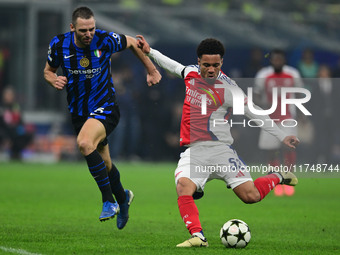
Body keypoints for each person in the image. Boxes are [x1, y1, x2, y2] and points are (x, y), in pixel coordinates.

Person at [137, 36, 299, 247]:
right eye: (206, 65)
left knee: (251, 196)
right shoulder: (191, 73)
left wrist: (281, 135)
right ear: (199, 62)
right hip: (194, 151)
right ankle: (198, 236)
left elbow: (256, 113)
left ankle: (278, 176)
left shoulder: (229, 89)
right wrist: (150, 52)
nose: (211, 69)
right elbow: (172, 65)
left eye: (215, 65)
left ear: (221, 63)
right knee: (183, 186)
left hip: (221, 151)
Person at [43, 7, 161, 229]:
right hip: (80, 113)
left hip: (105, 107)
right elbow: (48, 70)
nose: (89, 34)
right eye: (83, 30)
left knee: (84, 143)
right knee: (105, 163)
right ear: (72, 28)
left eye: (92, 29)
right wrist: (52, 79)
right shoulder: (59, 44)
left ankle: (109, 200)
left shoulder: (105, 39)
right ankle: (123, 198)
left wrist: (151, 70)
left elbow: (133, 42)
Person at [254, 49, 303, 197]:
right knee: (270, 151)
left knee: (289, 149)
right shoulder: (263, 75)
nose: (277, 62)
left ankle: (288, 181)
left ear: (284, 60)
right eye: (274, 59)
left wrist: (302, 114)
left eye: (279, 59)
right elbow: (256, 94)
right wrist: (261, 104)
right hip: (269, 119)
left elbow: (300, 93)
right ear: (271, 60)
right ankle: (275, 181)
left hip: (288, 117)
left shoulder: (293, 74)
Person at [0, 86, 33, 160]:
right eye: (7, 94)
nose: (9, 97)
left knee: (26, 134)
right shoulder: (1, 107)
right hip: (3, 130)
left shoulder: (16, 107)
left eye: (10, 95)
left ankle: (16, 153)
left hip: (14, 130)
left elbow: (20, 121)